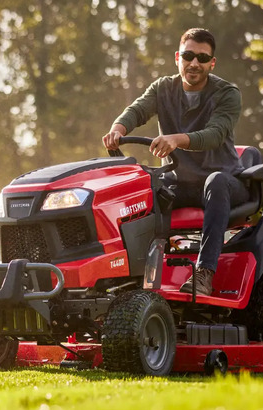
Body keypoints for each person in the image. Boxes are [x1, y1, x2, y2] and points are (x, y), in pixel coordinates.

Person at [102, 28, 248, 296]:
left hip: (224, 183)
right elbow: (137, 110)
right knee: (142, 187)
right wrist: (118, 129)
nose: (195, 63)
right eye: (189, 55)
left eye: (202, 58)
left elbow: (215, 135)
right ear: (177, 57)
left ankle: (204, 274)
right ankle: (128, 273)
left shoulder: (228, 93)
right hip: (180, 182)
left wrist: (176, 140)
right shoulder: (162, 88)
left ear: (212, 63)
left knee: (216, 182)